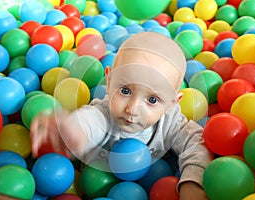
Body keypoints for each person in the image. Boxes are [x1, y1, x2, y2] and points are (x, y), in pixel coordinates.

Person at [30, 32, 213, 200]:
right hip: (95, 187)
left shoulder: (171, 123)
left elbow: (197, 144)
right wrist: (71, 131)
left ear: (172, 103)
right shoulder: (103, 113)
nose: (133, 109)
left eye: (152, 100)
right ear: (109, 82)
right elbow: (87, 122)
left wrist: (192, 184)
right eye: (125, 91)